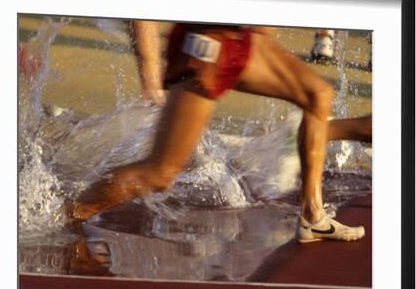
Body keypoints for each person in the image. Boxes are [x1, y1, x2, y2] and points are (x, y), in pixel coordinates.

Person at [66, 22, 366, 243]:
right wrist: (151, 76)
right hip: (207, 45)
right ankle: (71, 214)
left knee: (318, 94)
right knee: (161, 173)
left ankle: (313, 215)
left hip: (243, 42)